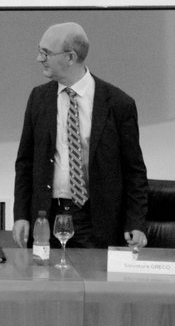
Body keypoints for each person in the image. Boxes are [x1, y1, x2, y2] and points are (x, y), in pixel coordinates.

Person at [12, 22, 149, 249]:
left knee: (93, 273)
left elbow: (134, 171)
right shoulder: (38, 98)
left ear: (70, 57)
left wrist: (136, 222)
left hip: (96, 221)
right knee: (43, 273)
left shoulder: (118, 104)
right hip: (46, 218)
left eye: (46, 53)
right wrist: (21, 215)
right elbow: (25, 163)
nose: (39, 58)